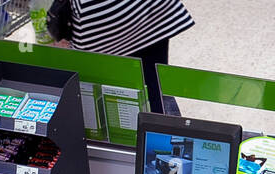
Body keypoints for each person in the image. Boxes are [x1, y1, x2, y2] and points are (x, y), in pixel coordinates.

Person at [57, 0, 194, 114]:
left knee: (106, 99)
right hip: (149, 12)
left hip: (98, 21)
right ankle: (161, 129)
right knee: (154, 84)